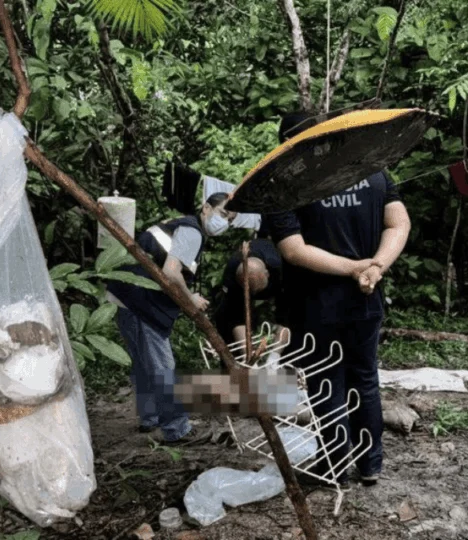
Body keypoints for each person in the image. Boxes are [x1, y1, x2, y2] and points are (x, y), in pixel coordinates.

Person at [264, 112, 411, 487]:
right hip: (366, 299)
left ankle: (333, 467)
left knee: (325, 381)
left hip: (316, 305)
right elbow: (399, 222)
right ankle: (370, 464)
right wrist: (375, 267)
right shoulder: (369, 169)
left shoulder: (284, 184)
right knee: (364, 379)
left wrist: (355, 267)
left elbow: (294, 251)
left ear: (289, 145)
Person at [106, 192, 236, 445]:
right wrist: (192, 300)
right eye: (223, 214)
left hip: (126, 294)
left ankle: (150, 418)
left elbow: (168, 268)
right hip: (142, 301)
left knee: (145, 364)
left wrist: (188, 293)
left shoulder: (182, 223)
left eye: (230, 220)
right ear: (206, 208)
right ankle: (178, 430)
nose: (225, 223)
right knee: (163, 368)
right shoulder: (193, 232)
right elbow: (171, 272)